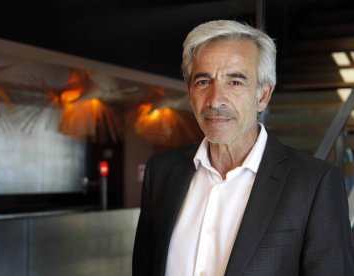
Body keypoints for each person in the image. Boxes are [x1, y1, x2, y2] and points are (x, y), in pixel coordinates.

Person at [132, 20, 354, 276]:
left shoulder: (314, 184)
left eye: (235, 82)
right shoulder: (161, 172)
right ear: (190, 91)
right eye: (203, 81)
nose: (215, 99)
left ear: (263, 96)